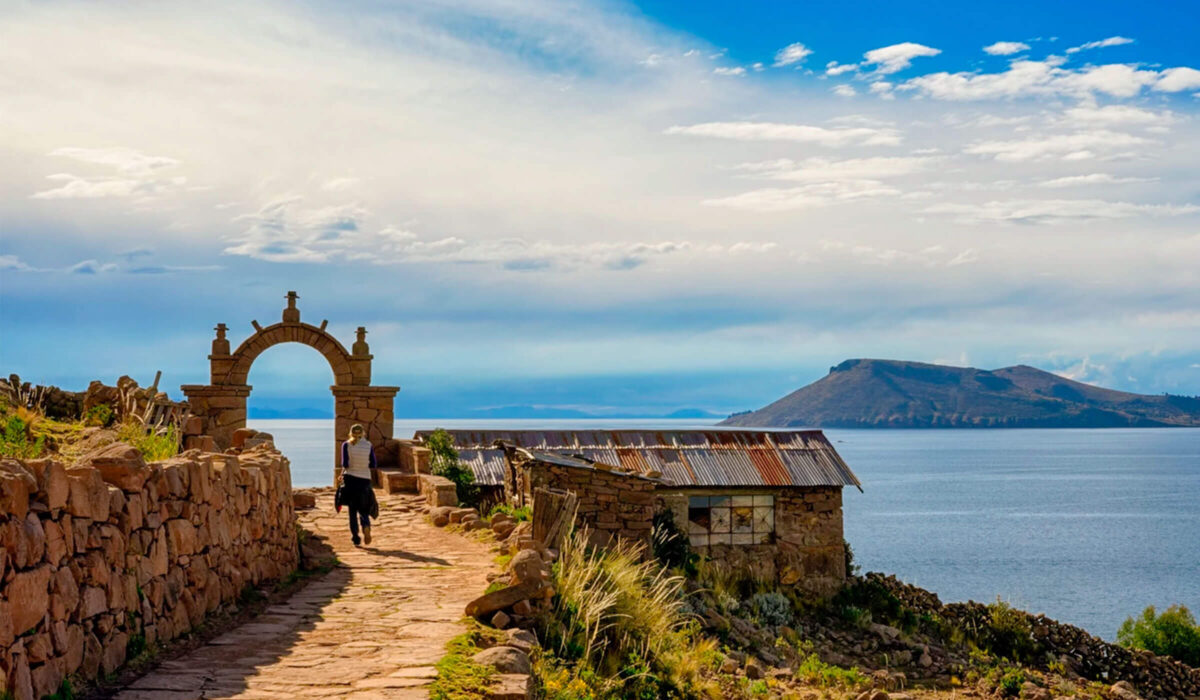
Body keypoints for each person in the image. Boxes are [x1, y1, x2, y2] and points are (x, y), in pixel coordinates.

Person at [340, 424, 377, 546]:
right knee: (364, 508)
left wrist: (341, 475)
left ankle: (355, 537)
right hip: (365, 479)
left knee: (352, 510)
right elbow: (373, 464)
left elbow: (345, 464)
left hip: (350, 479)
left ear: (351, 433)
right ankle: (366, 525)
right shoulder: (368, 445)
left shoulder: (346, 445)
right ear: (363, 433)